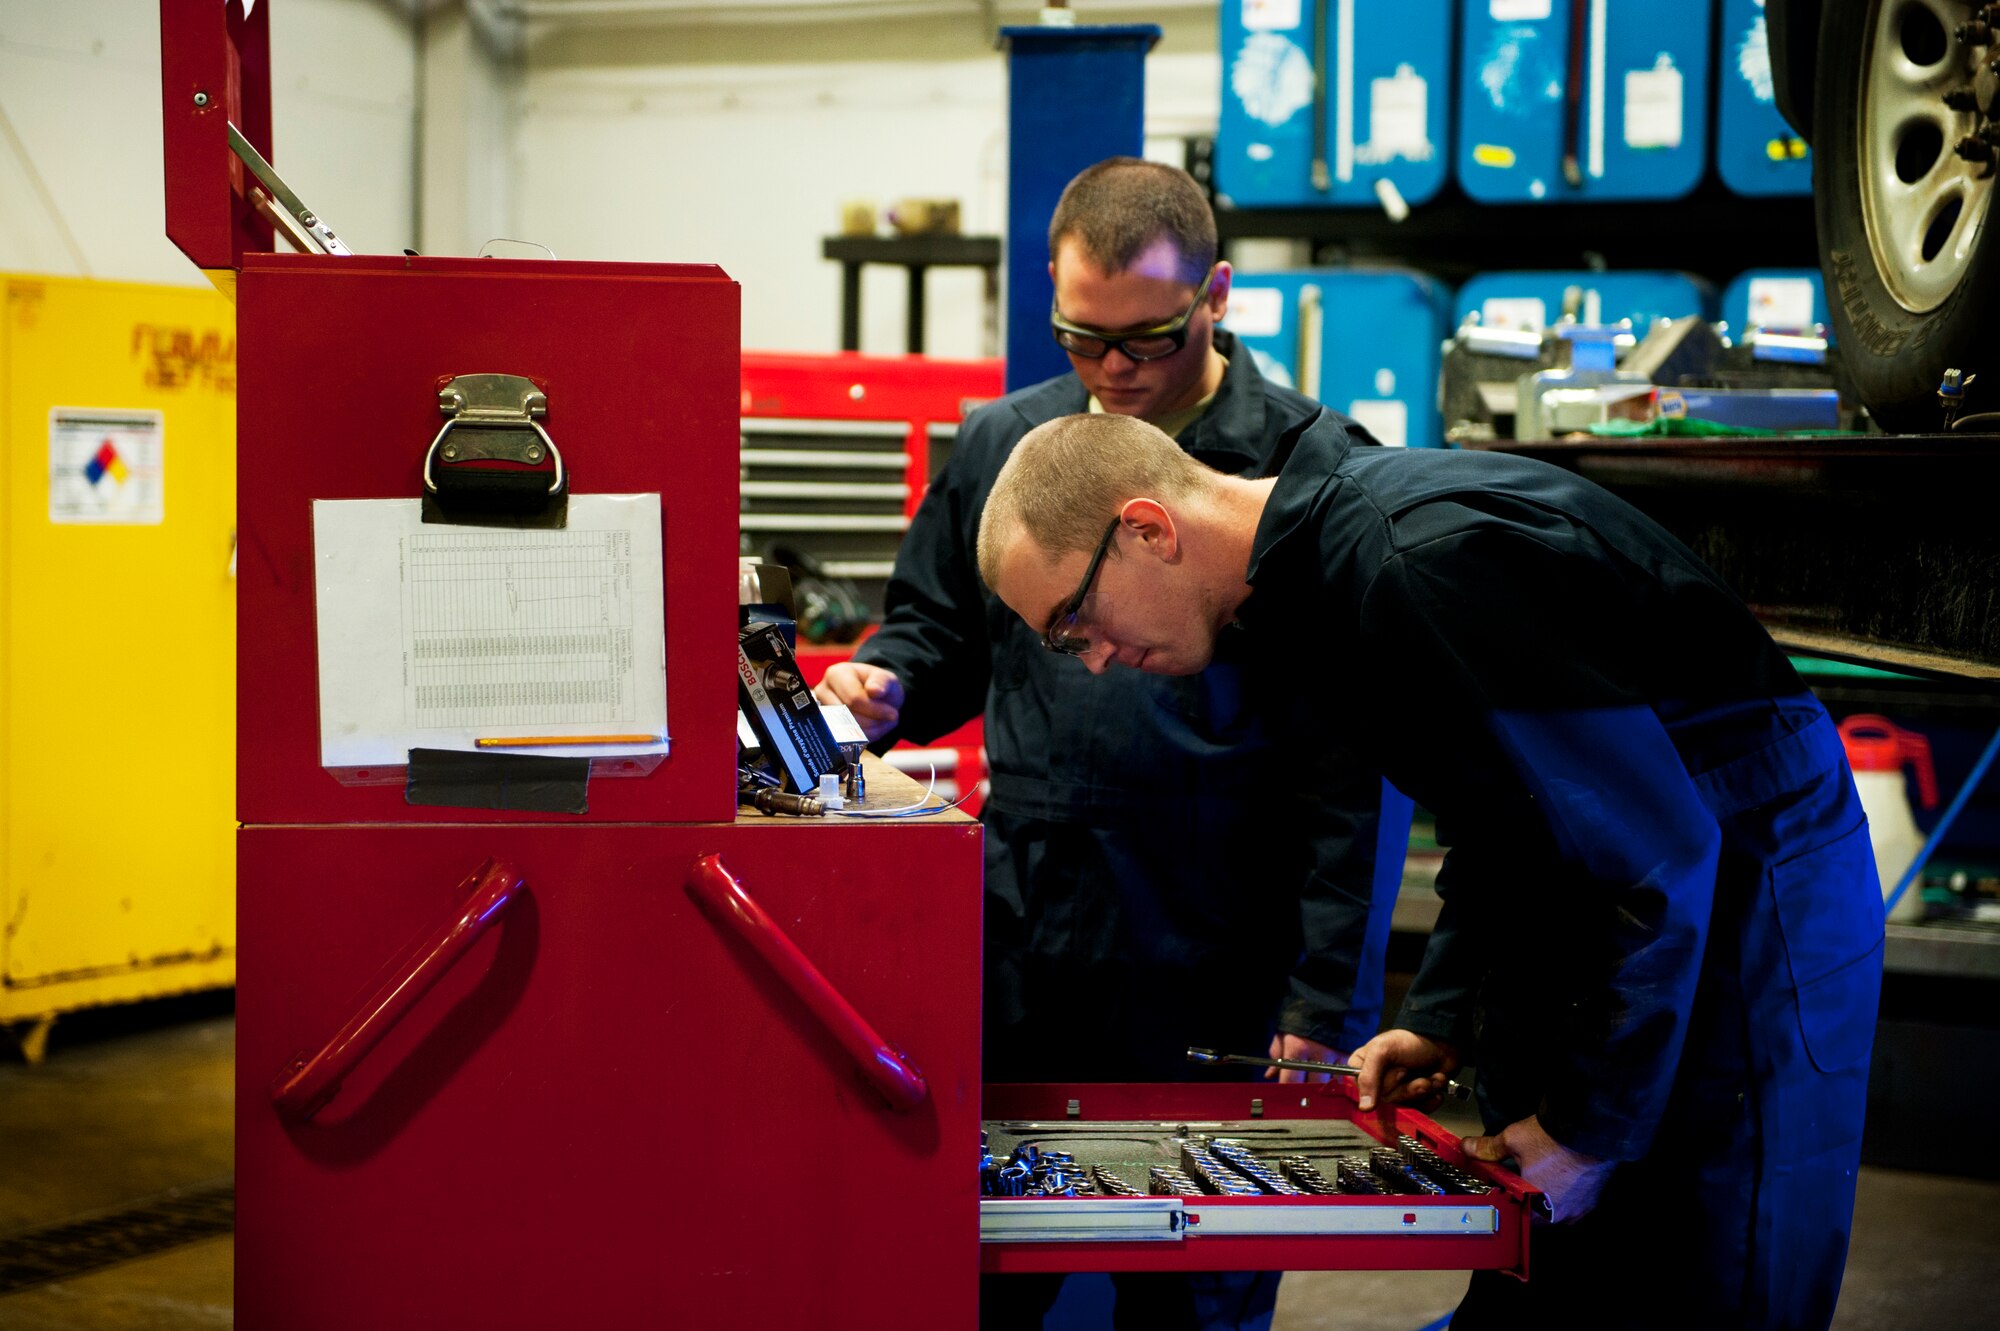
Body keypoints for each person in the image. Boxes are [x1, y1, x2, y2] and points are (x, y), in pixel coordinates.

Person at [975, 410, 1884, 1331]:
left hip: (1745, 899)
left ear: (1147, 529)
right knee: (1556, 1259)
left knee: (1699, 1272)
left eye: (1074, 620)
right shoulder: (1316, 593)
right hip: (1623, 909)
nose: (1090, 661)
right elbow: (1507, 819)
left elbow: (1649, 856)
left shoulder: (1420, 565)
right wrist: (1444, 1016)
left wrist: (1588, 1130)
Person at [814, 158, 1403, 1329]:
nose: (1114, 371)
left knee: (1190, 1293)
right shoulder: (1005, 444)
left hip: (1214, 958)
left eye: (1146, 339)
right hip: (1026, 939)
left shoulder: (1314, 472)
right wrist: (885, 685)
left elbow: (1351, 783)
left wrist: (1318, 1005)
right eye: (1083, 340)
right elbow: (938, 629)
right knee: (983, 1272)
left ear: (1217, 295)